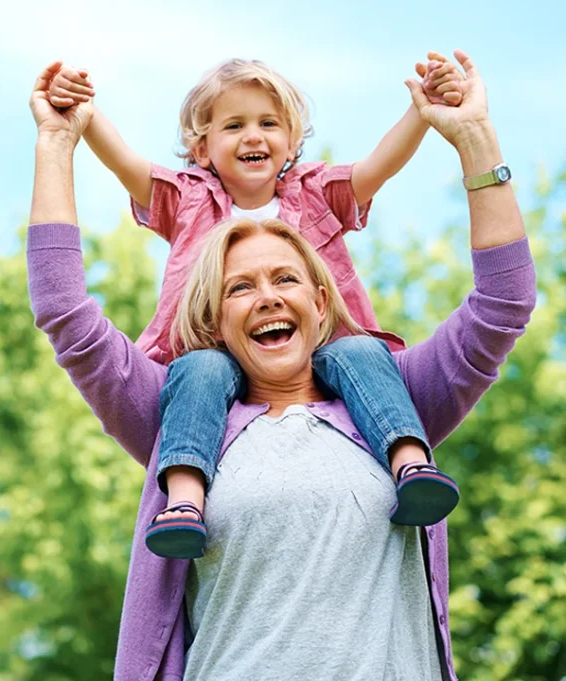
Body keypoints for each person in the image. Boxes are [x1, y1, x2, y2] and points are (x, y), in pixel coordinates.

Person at [27, 50, 535, 680]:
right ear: (211, 319)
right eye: (240, 287)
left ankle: (411, 465)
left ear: (322, 300)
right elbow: (64, 310)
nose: (267, 297)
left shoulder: (393, 395)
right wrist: (58, 142)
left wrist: (474, 135)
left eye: (286, 278)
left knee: (364, 356)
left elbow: (504, 302)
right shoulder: (178, 415)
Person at [46, 56, 466, 558]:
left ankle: (412, 465)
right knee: (200, 370)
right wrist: (86, 114)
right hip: (214, 352)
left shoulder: (315, 194)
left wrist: (421, 111)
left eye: (268, 123)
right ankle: (183, 504)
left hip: (315, 352)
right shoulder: (188, 200)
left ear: (291, 141)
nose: (253, 136)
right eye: (234, 125)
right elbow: (126, 165)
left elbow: (379, 166)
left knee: (362, 351)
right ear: (202, 149)